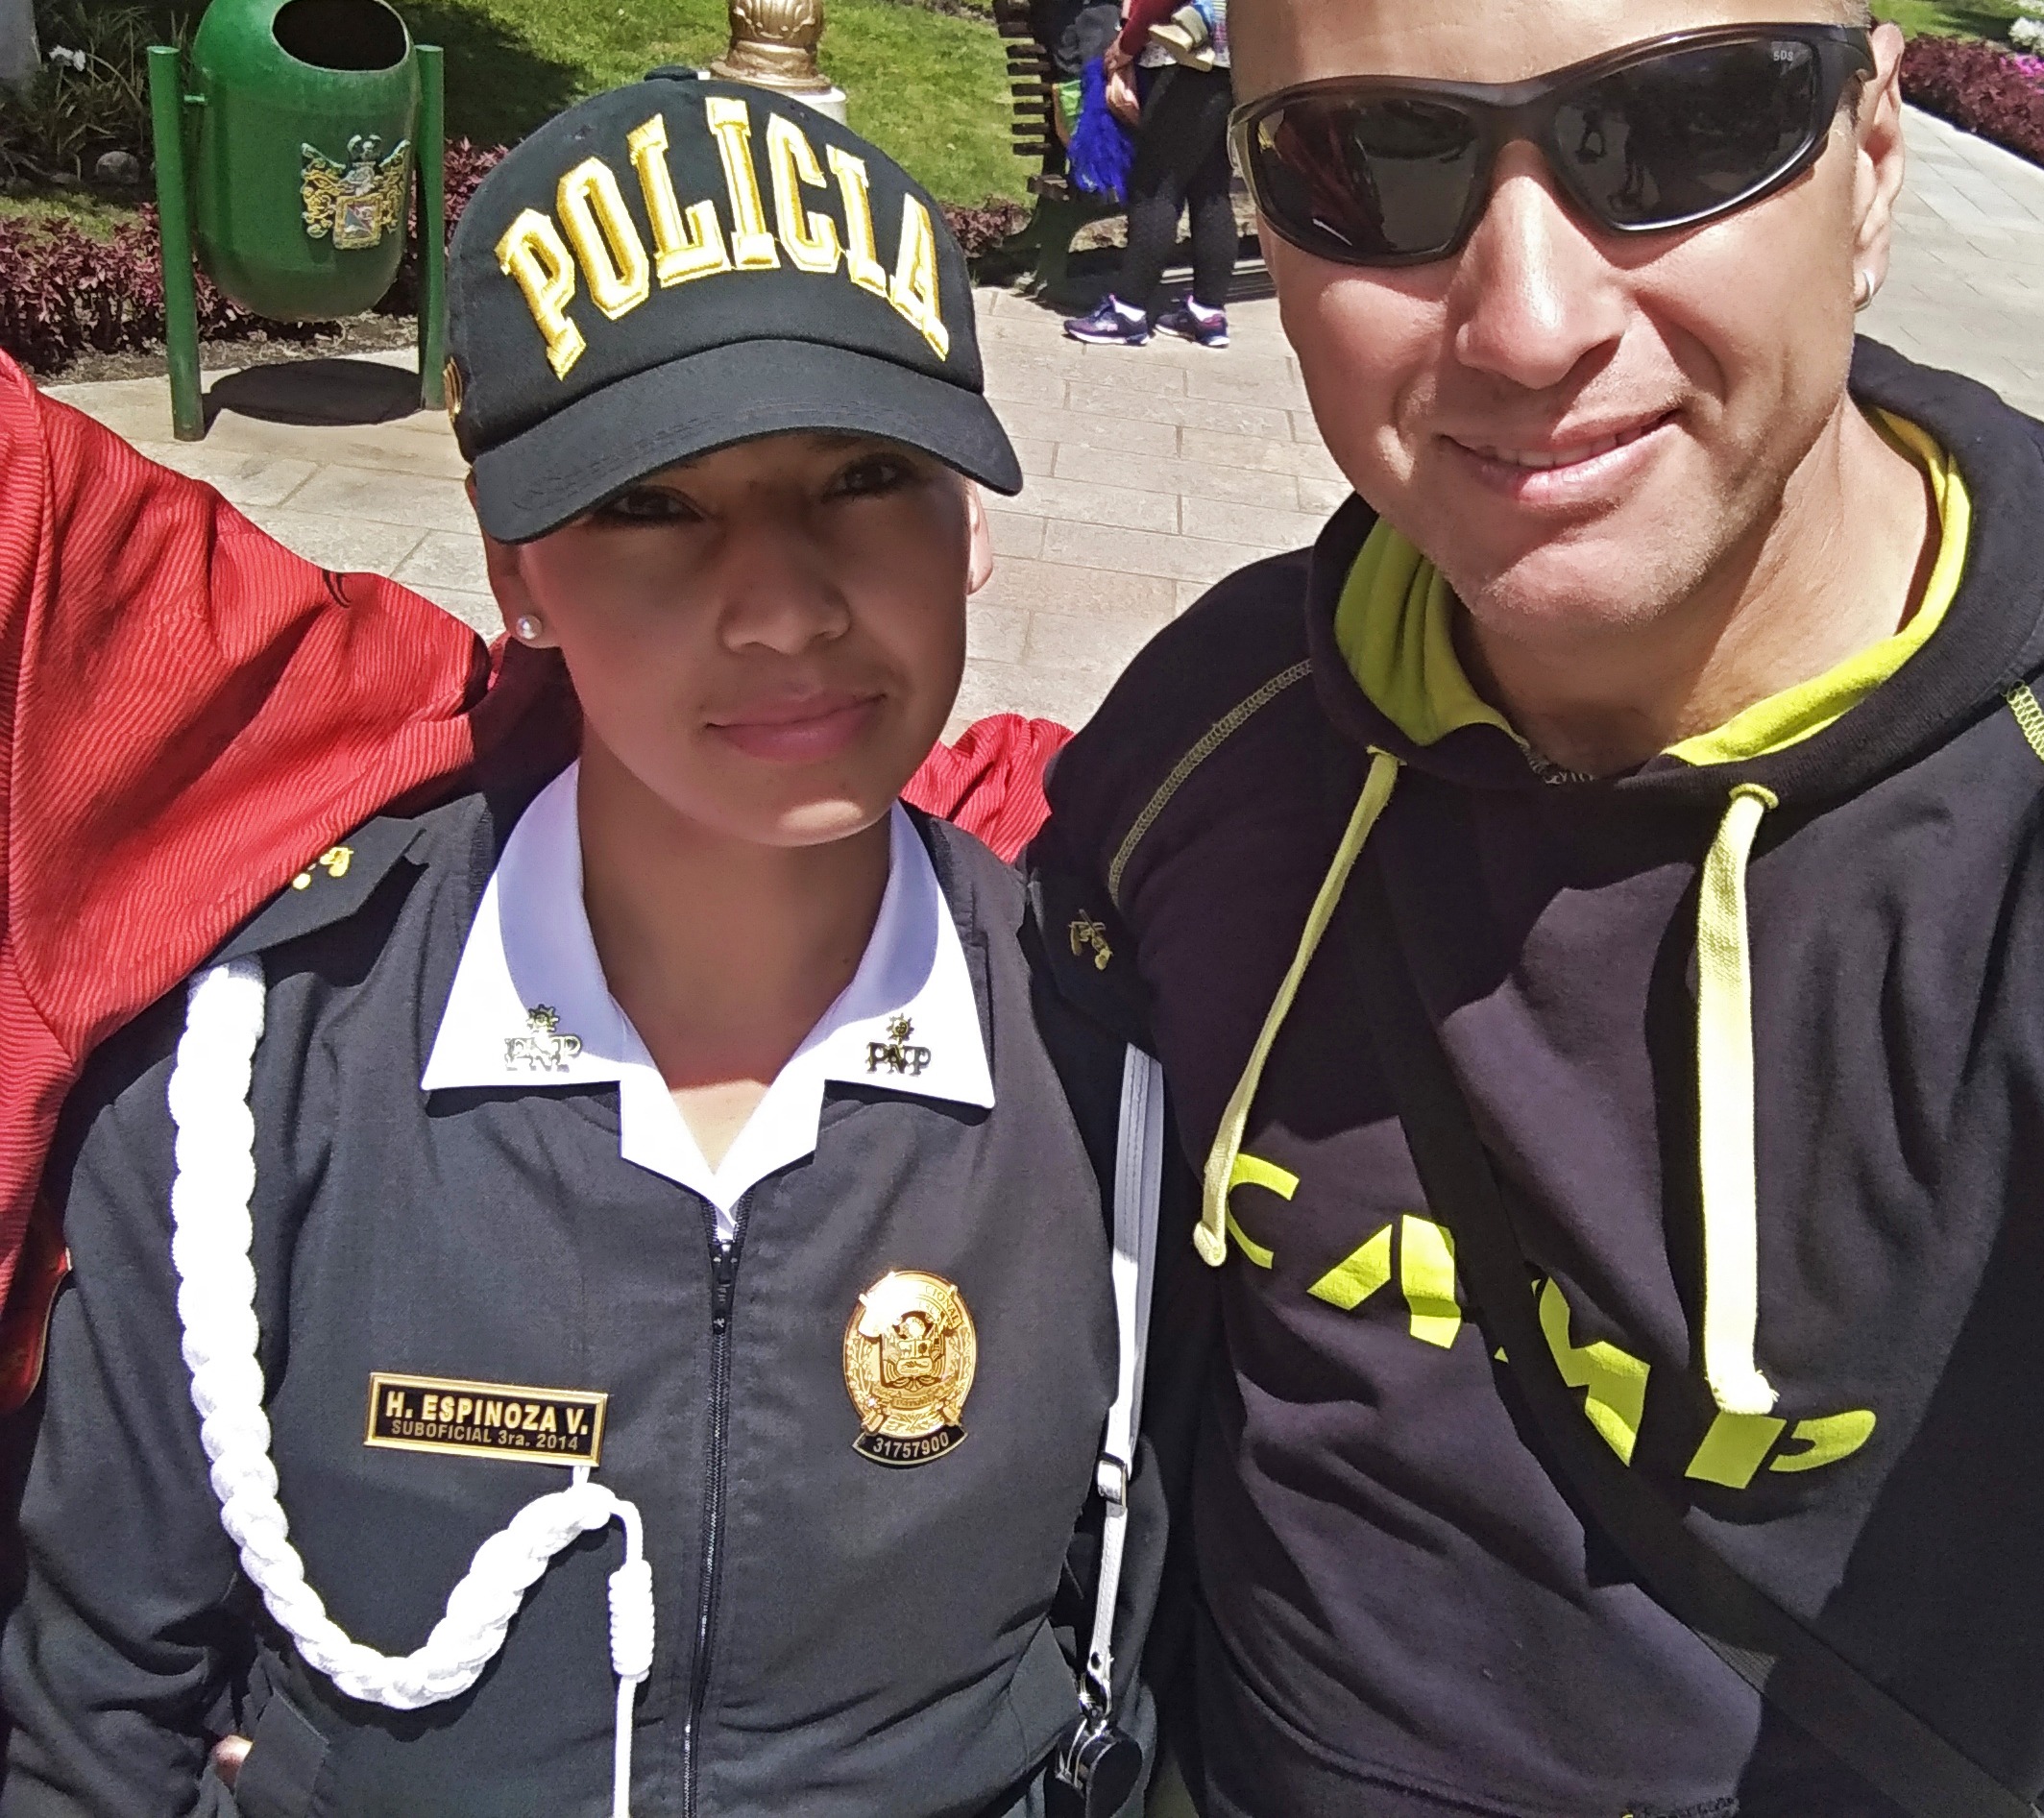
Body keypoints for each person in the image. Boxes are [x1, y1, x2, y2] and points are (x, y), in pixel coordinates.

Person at [1028, 1, 2044, 1815]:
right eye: (1372, 162)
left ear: (1869, 164)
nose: (1527, 322)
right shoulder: (1215, 729)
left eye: (1679, 129)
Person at [1, 74, 1172, 1816]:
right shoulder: (259, 1073)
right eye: (653, 504)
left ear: (970, 519)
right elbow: (96, 1717)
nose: (783, 606)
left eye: (867, 476)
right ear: (515, 572)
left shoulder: (1115, 1056)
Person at [1063, 0, 1235, 349]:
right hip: (1229, 61)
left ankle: (1127, 312)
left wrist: (1125, 45)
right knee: (1211, 189)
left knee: (1155, 188)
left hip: (1179, 60)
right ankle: (1207, 313)